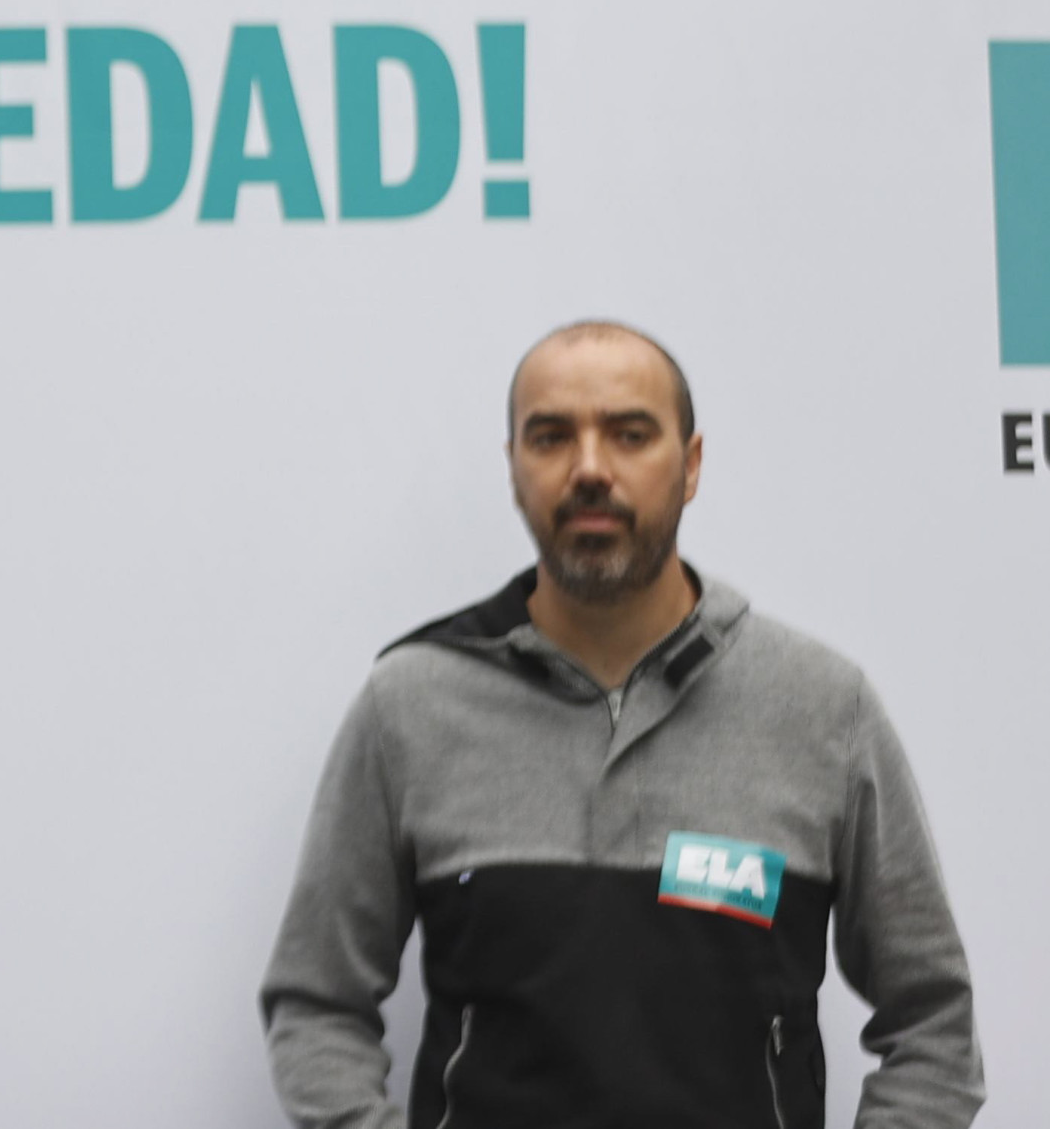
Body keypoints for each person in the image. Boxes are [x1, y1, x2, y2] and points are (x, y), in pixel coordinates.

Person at [260, 322, 983, 1129]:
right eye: (551, 436)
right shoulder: (412, 703)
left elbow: (934, 1024)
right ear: (514, 468)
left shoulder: (820, 705)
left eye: (631, 434)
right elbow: (317, 1003)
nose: (591, 468)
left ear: (692, 464)